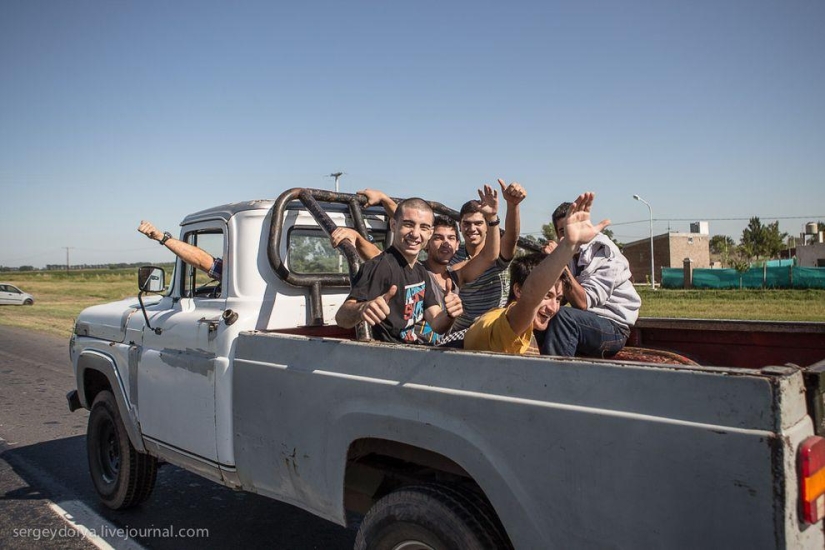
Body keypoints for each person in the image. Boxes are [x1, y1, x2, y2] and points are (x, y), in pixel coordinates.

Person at [333, 186, 501, 344]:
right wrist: (363, 308)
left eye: (424, 227)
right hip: (389, 358)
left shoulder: (421, 272)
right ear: (393, 225)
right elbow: (342, 316)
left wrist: (450, 314)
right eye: (408, 225)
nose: (415, 233)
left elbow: (437, 322)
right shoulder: (382, 266)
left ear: (429, 233)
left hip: (419, 354)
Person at [464, 192, 609, 355]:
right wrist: (568, 246)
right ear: (518, 290)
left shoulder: (527, 329)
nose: (554, 308)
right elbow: (531, 295)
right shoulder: (502, 324)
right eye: (547, 296)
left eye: (559, 299)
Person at [538, 200, 641, 358]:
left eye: (572, 229)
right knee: (534, 314)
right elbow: (560, 298)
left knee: (564, 318)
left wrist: (558, 261)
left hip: (613, 329)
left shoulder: (607, 254)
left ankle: (552, 380)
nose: (569, 236)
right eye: (562, 232)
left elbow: (582, 302)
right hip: (585, 322)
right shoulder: (568, 254)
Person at [448, 179, 526, 334]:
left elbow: (511, 238)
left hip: (492, 329)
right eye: (467, 224)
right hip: (460, 331)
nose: (472, 229)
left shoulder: (497, 253)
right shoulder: (452, 255)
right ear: (460, 226)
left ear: (486, 226)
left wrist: (513, 205)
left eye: (478, 223)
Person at [138, 221, 222, 279]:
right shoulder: (232, 274)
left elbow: (203, 262)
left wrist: (161, 237)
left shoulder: (229, 273)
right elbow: (205, 263)